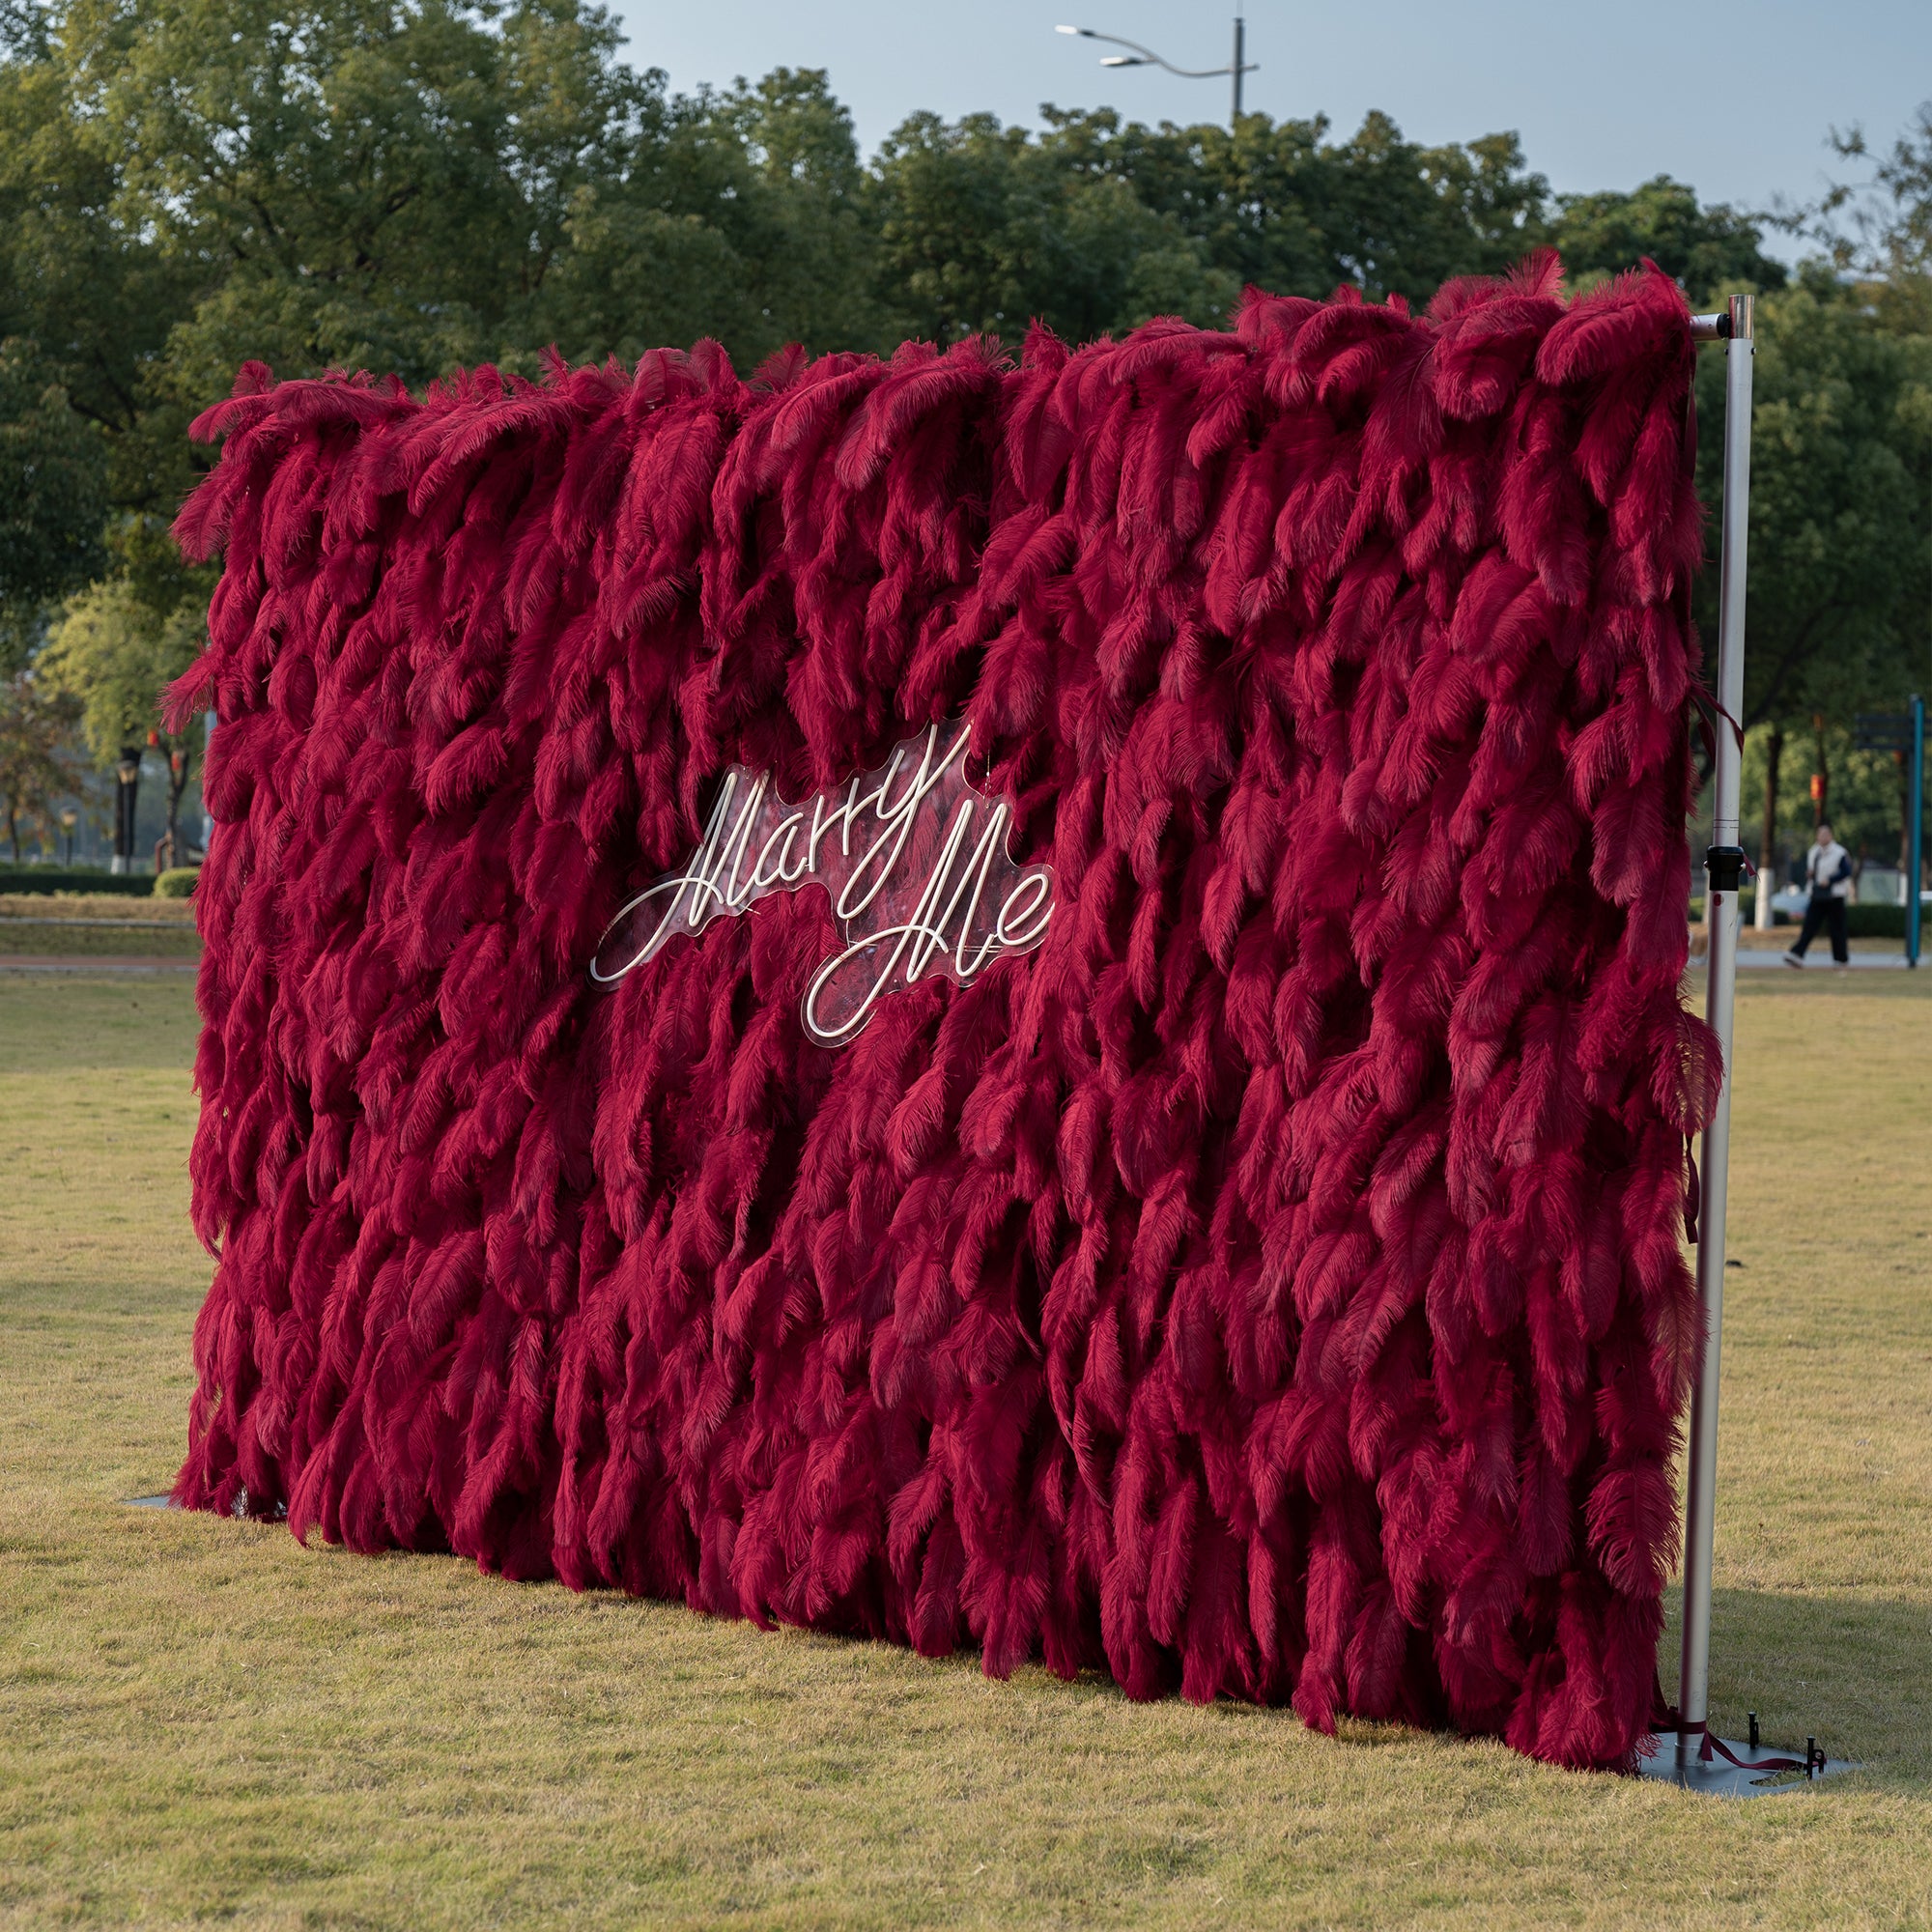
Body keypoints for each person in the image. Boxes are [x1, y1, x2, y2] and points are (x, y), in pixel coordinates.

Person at [1783, 823, 1852, 968]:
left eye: (1825, 835)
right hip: (1817, 894)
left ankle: (1841, 959)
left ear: (1830, 836)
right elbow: (1813, 870)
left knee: (1837, 928)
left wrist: (1830, 880)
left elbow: (1846, 871)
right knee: (1810, 925)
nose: (1822, 837)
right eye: (1819, 834)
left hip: (1834, 895)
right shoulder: (1814, 851)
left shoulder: (1839, 852)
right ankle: (1797, 954)